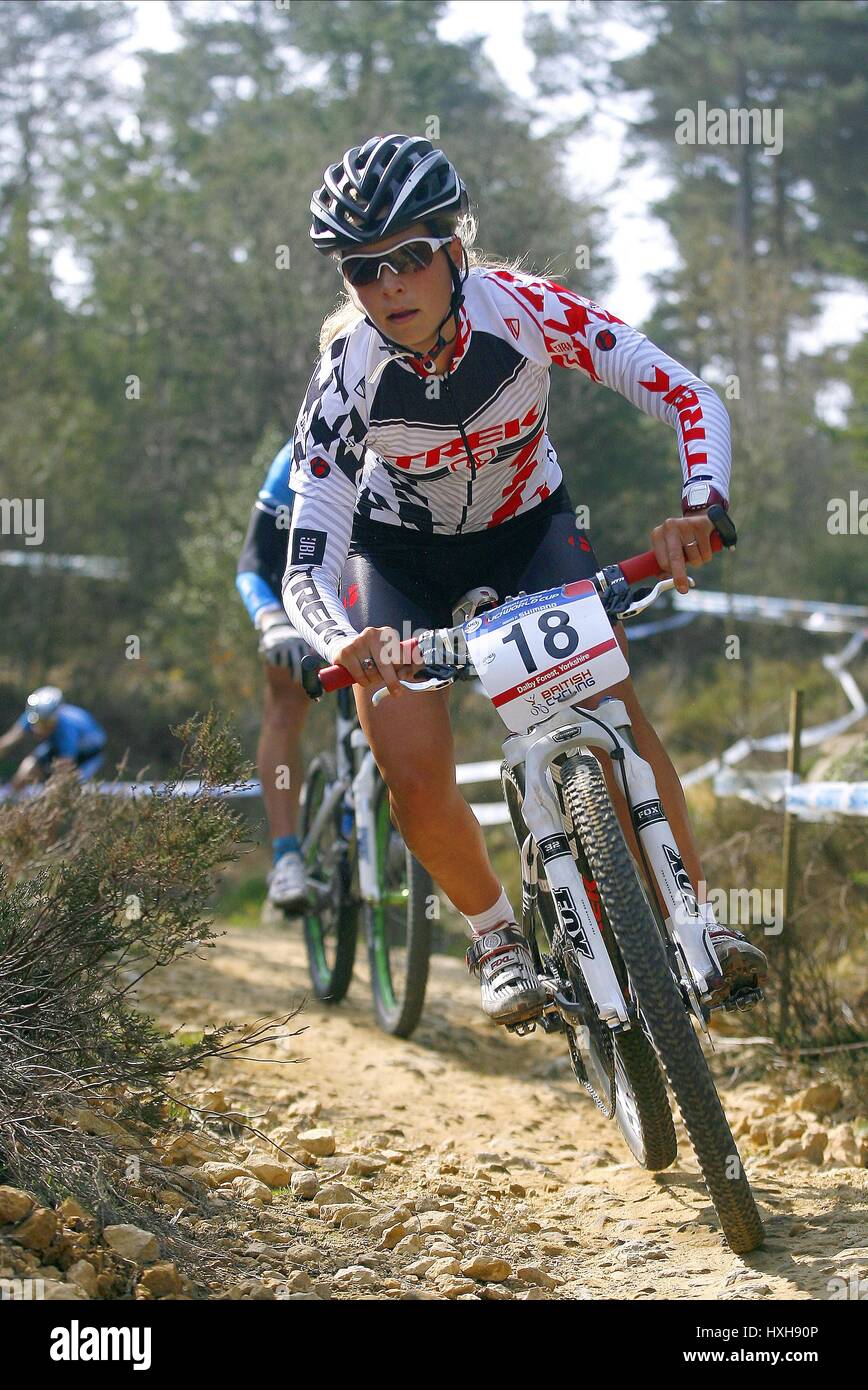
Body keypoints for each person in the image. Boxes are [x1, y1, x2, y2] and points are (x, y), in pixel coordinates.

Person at [281, 133, 768, 1026]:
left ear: (454, 252)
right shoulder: (344, 378)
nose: (389, 286)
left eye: (411, 258)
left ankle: (695, 926)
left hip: (531, 532)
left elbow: (686, 393)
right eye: (363, 271)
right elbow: (309, 553)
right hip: (399, 561)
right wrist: (340, 639)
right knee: (414, 771)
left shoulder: (528, 310)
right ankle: (498, 936)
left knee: (613, 715)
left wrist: (702, 503)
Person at [236, 443, 314, 908]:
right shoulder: (296, 461)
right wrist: (269, 617)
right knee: (285, 702)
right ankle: (286, 857)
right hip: (297, 594)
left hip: (363, 592)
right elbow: (251, 564)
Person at [0, 686, 106, 788]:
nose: (39, 729)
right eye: (38, 722)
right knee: (25, 772)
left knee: (63, 788)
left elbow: (66, 765)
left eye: (46, 723)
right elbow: (8, 742)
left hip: (88, 755)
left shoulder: (67, 728)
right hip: (57, 746)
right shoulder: (32, 715)